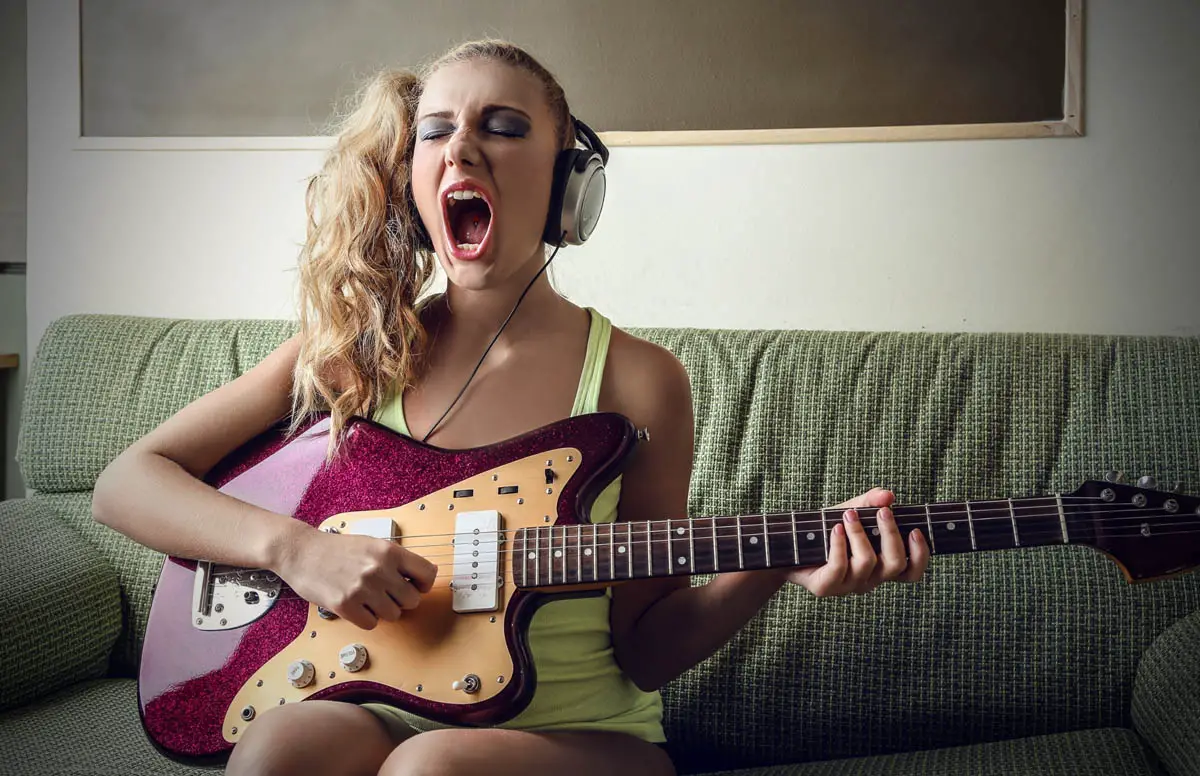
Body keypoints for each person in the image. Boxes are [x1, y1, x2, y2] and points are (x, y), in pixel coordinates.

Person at [92, 39, 929, 776]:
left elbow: (647, 649)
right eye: (436, 129)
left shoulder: (640, 382)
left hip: (578, 739)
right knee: (278, 748)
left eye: (502, 126)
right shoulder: (351, 351)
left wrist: (773, 566)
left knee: (432, 770)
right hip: (369, 704)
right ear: (411, 176)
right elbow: (127, 483)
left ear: (571, 181)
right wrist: (295, 550)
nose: (463, 147)